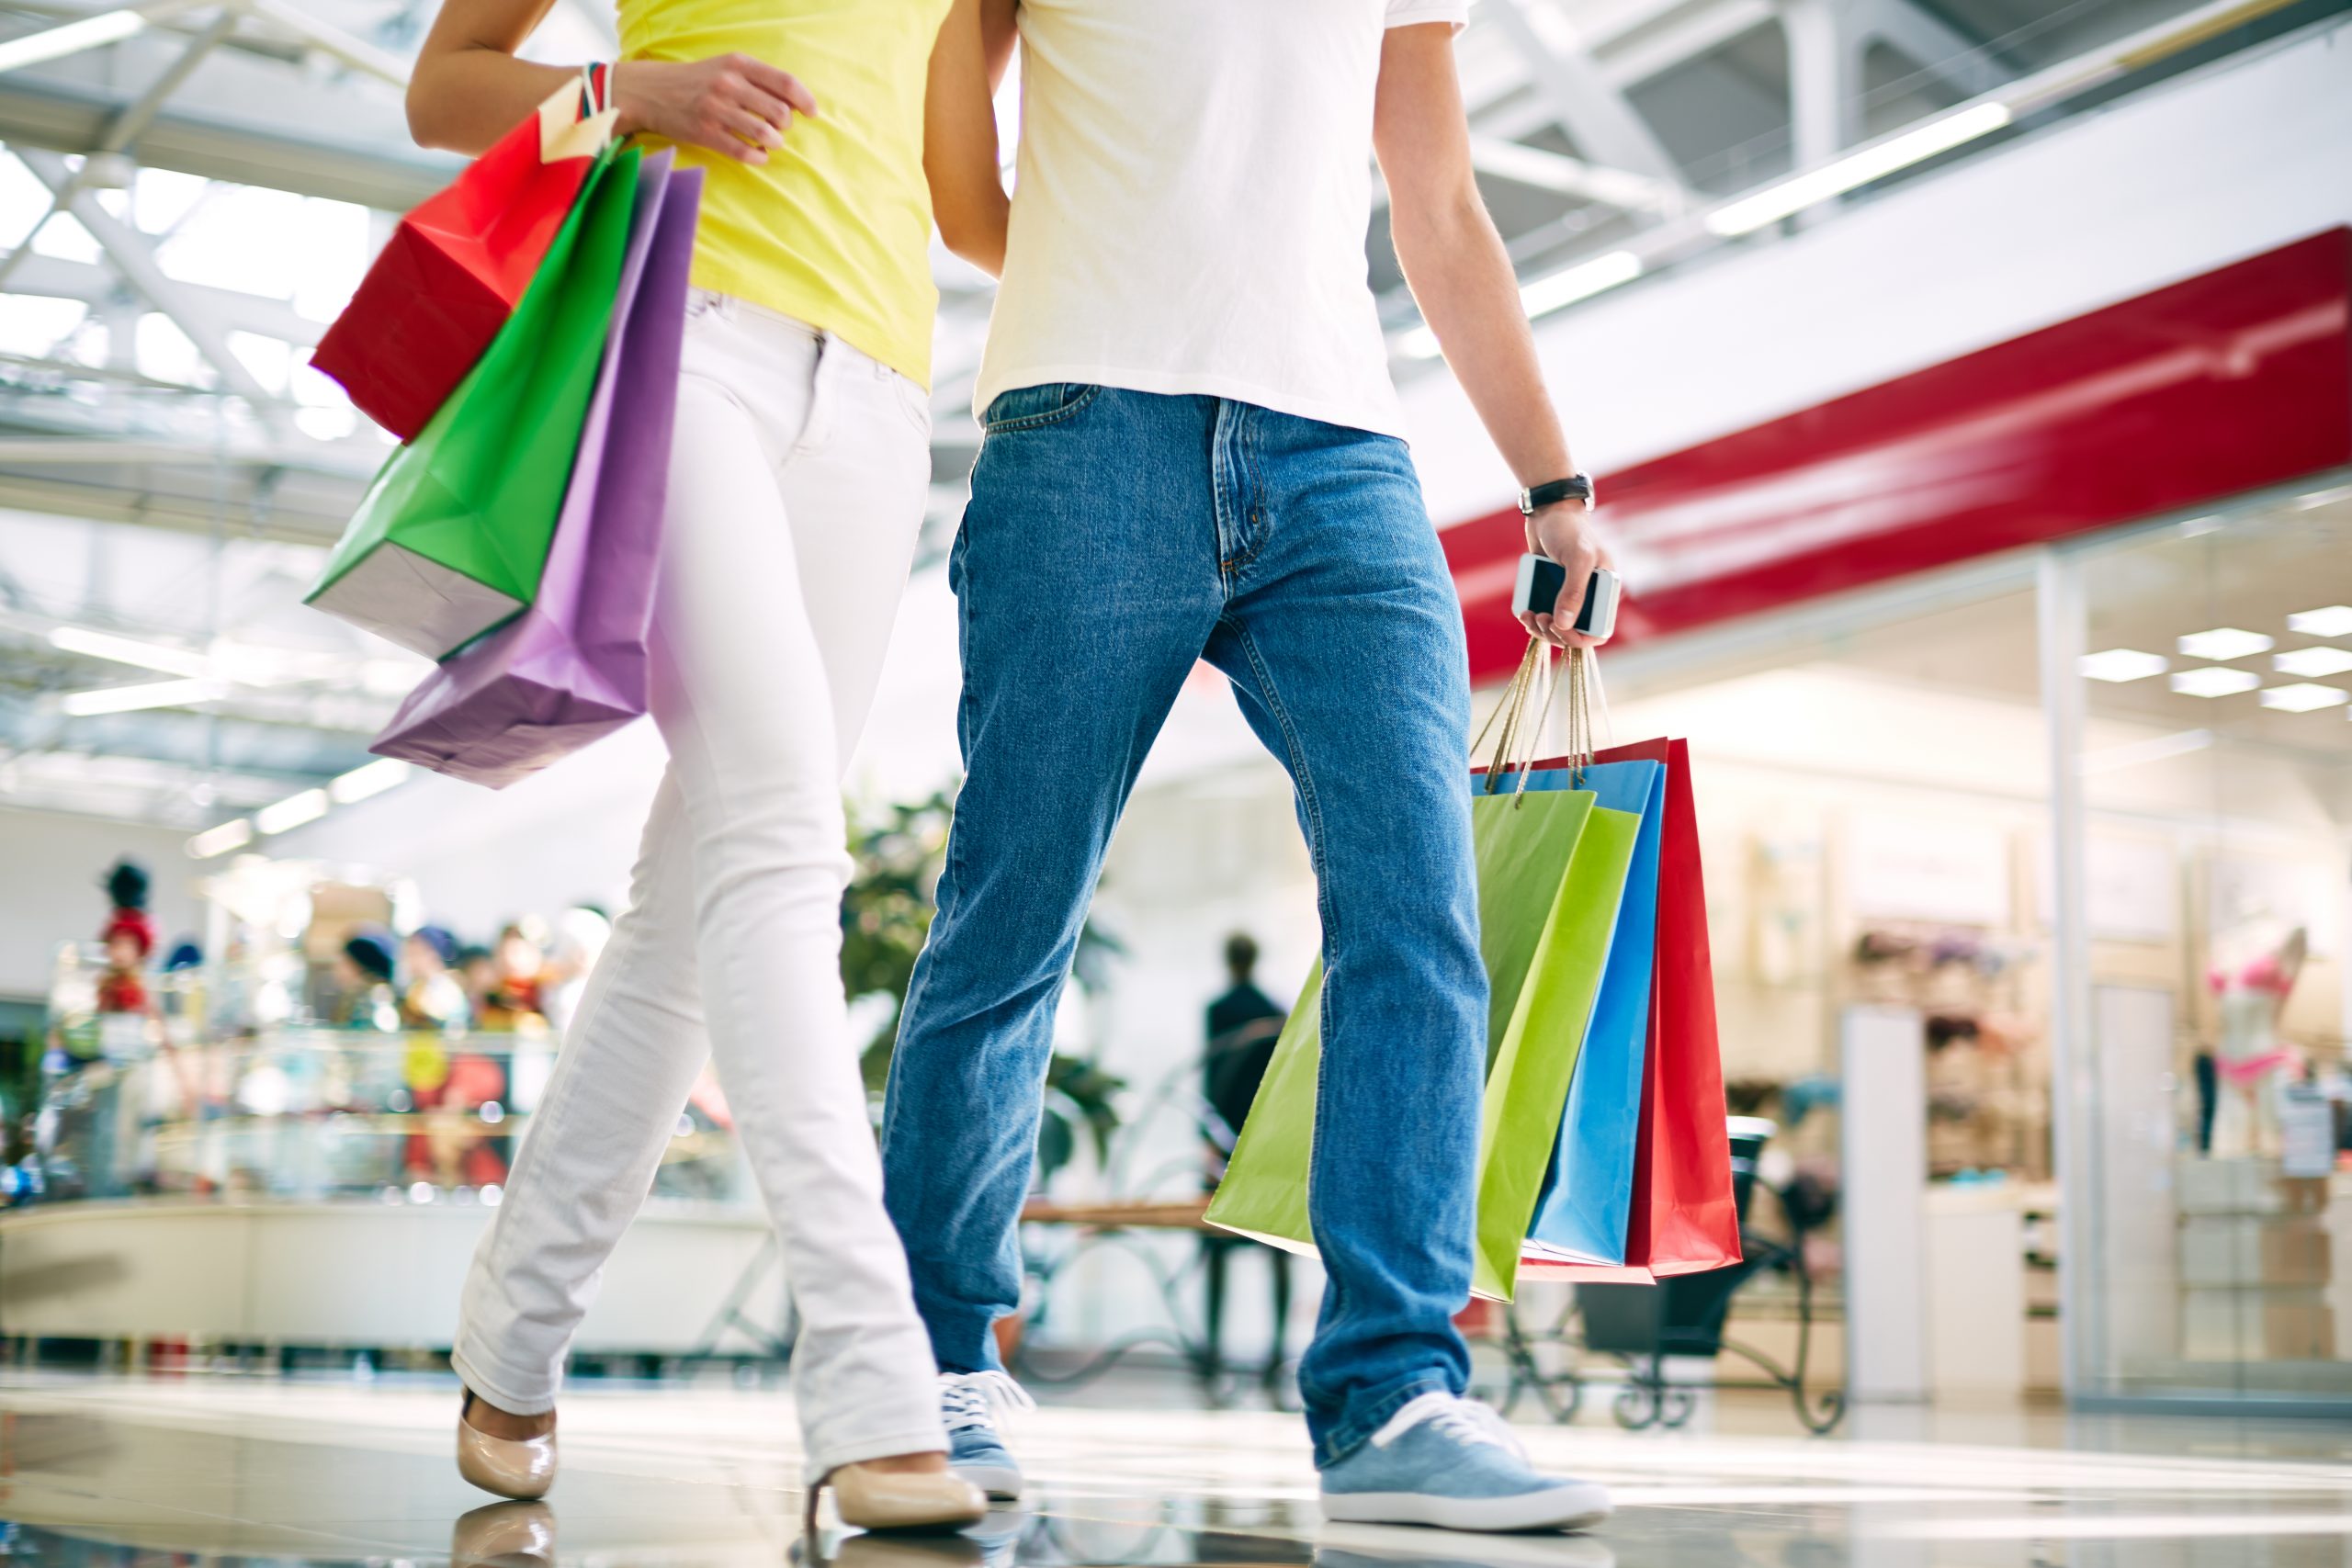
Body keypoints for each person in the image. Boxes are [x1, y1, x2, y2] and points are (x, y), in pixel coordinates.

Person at [886, 0, 1615, 1534]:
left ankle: (1394, 1390)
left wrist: (1555, 485)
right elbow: (964, 198)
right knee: (1017, 902)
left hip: (1342, 451)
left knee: (1419, 910)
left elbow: (1441, 205)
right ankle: (935, 1359)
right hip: (1086, 427)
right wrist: (1124, 278)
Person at [406, 0, 997, 1528]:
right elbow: (444, 87)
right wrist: (630, 88)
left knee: (693, 897)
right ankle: (875, 1389)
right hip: (685, 331)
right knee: (785, 846)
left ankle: (509, 1339)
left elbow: (967, 193)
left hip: (879, 400)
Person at [1198, 934, 1293, 1390]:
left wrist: (1208, 1141)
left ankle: (1212, 1350)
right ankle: (1276, 1351)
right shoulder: (1275, 1009)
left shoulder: (1219, 1010)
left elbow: (1213, 1080)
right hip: (1264, 1142)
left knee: (1215, 1247)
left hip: (1225, 1141)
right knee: (1277, 1252)